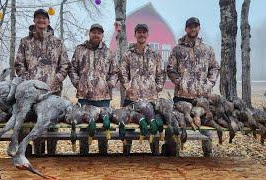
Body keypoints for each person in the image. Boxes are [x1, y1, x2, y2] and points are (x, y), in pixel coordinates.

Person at [14, 9, 71, 155]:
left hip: (52, 92)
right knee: (30, 122)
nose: (41, 21)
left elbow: (65, 65)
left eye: (44, 18)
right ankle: (31, 153)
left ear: (48, 22)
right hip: (31, 93)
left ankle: (51, 153)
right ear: (34, 21)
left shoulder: (57, 42)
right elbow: (19, 64)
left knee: (51, 123)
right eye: (38, 18)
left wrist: (56, 80)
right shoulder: (25, 42)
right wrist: (29, 83)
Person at [167, 17, 220, 156]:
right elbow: (170, 69)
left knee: (206, 128)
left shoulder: (207, 49)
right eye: (190, 26)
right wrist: (180, 82)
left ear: (199, 28)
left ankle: (208, 155)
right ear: (186, 29)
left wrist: (209, 84)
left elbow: (215, 68)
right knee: (177, 127)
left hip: (201, 97)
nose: (193, 29)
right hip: (181, 97)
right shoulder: (177, 49)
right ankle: (173, 156)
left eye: (195, 26)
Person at [69, 23, 118, 154]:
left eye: (99, 32)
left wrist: (110, 84)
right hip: (85, 97)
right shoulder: (80, 50)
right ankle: (83, 153)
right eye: (94, 32)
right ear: (89, 33)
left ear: (102, 35)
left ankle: (103, 153)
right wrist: (77, 83)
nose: (96, 34)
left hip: (103, 97)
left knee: (104, 125)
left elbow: (114, 72)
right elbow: (72, 68)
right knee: (84, 126)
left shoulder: (108, 52)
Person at [119, 23, 165, 107]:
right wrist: (128, 87)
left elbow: (161, 73)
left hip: (151, 99)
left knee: (150, 119)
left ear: (148, 34)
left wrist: (158, 87)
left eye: (144, 32)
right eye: (139, 32)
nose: (142, 34)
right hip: (132, 98)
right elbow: (122, 73)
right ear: (135, 35)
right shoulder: (128, 54)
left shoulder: (155, 55)